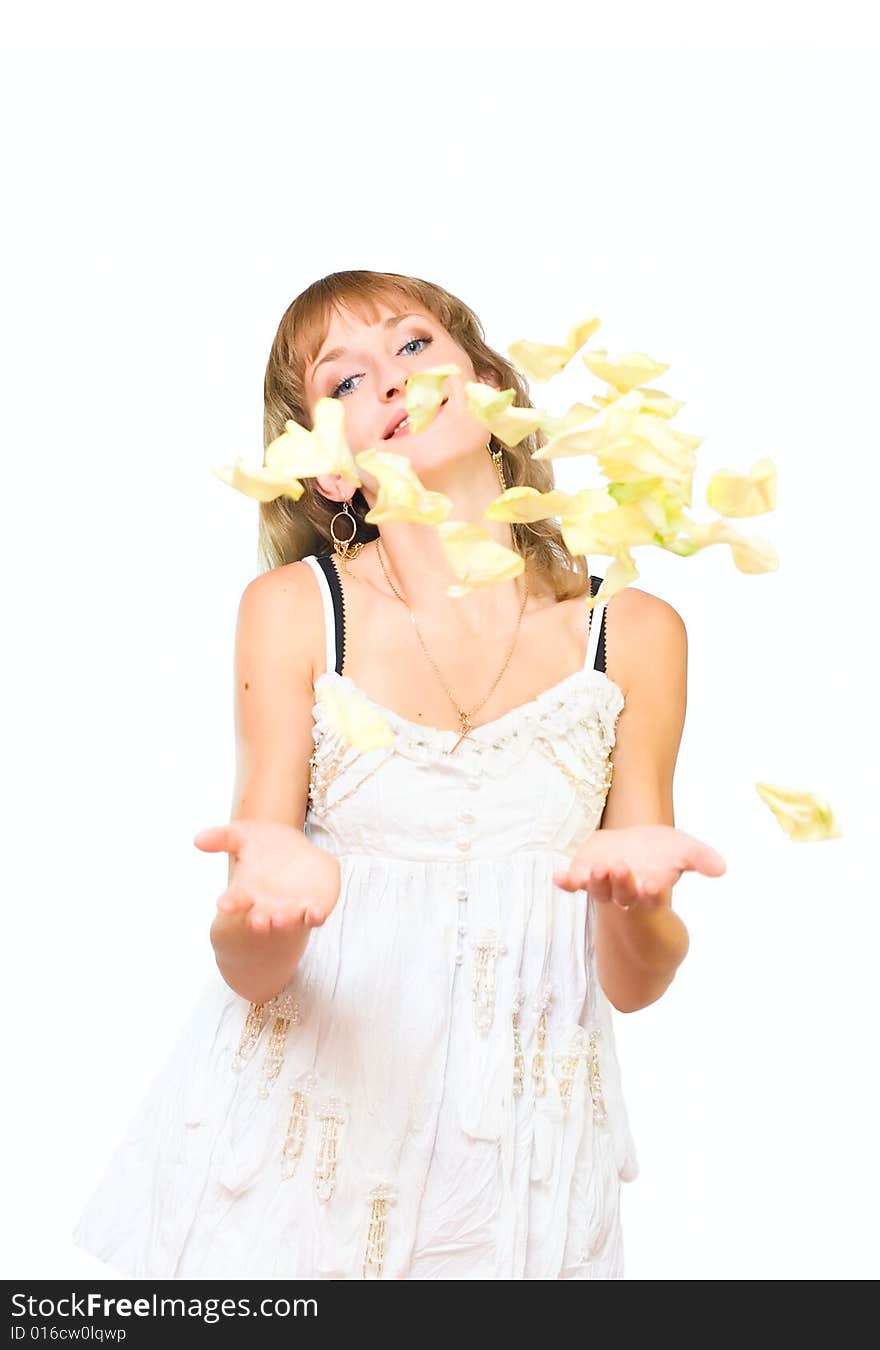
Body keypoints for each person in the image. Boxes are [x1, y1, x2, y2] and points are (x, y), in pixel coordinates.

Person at [72, 269, 725, 1280]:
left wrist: (634, 902)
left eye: (415, 345)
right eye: (343, 380)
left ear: (490, 386)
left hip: (521, 1165)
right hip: (300, 1159)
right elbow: (249, 965)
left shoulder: (633, 633)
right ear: (329, 471)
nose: (391, 379)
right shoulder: (294, 609)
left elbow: (636, 982)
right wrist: (264, 915)